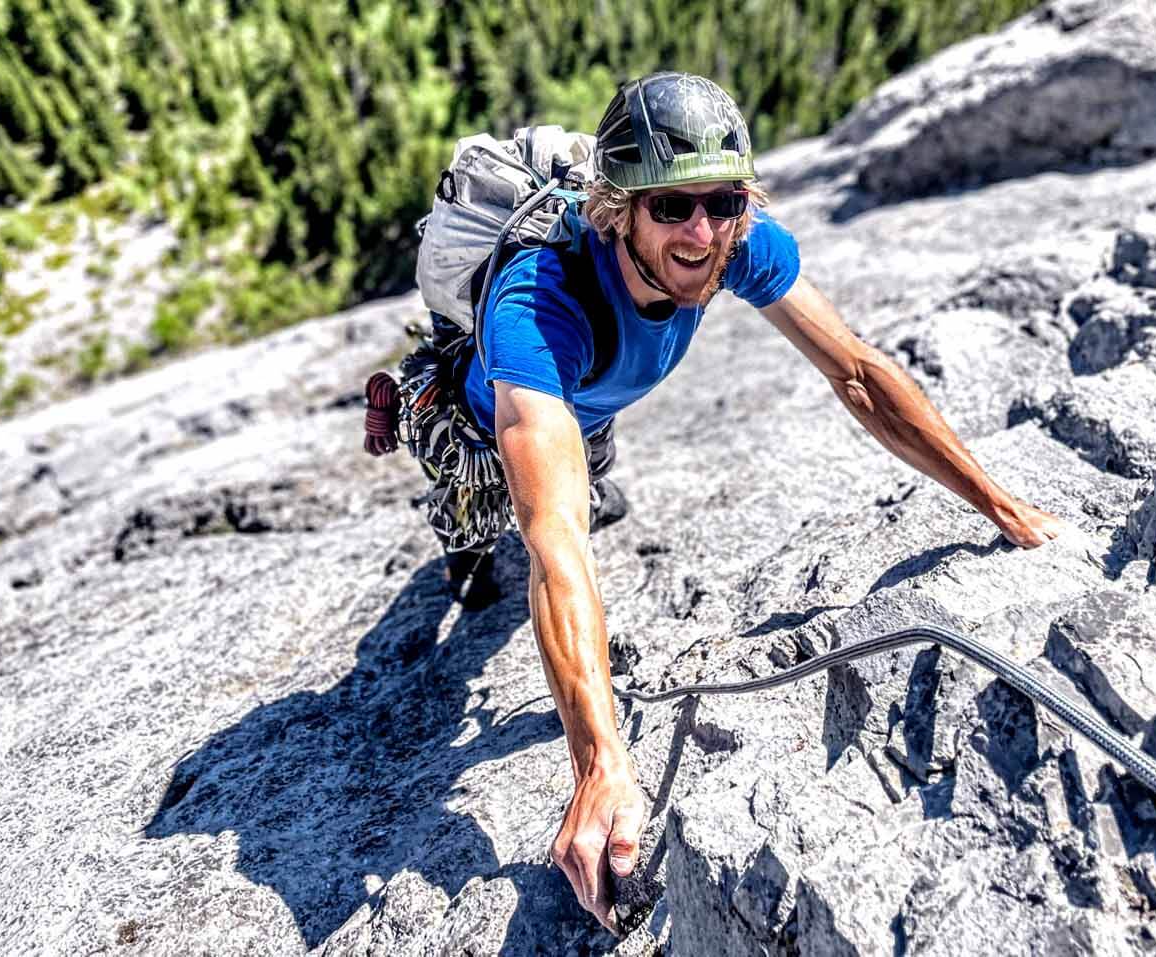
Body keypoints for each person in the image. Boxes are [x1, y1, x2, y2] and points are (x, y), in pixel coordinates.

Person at [381, 71, 1066, 933]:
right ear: (617, 207)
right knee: (491, 529)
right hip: (492, 421)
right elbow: (556, 537)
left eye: (722, 200)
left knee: (588, 474)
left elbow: (856, 373)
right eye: (671, 206)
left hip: (582, 408)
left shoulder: (739, 241)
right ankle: (460, 549)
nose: (702, 232)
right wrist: (601, 765)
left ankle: (562, 479)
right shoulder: (536, 302)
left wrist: (1001, 506)